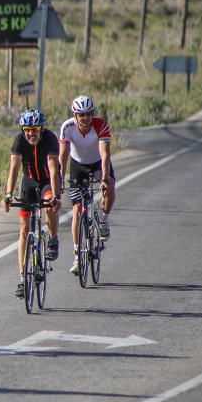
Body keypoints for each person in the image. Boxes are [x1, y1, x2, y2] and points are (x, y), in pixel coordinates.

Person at [3, 110, 61, 298]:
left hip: (47, 181)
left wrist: (55, 195)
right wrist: (9, 194)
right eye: (27, 130)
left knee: (49, 204)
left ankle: (52, 239)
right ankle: (22, 279)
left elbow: (53, 168)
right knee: (23, 229)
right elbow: (14, 169)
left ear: (41, 129)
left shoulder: (50, 139)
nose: (31, 133)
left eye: (35, 129)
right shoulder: (19, 141)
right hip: (29, 181)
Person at [59, 95, 115, 276]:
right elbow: (63, 155)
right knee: (77, 210)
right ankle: (77, 256)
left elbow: (105, 155)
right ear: (74, 115)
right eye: (81, 115)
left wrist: (105, 179)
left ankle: (103, 221)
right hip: (78, 165)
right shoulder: (67, 127)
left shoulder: (101, 125)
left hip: (98, 163)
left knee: (111, 189)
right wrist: (60, 178)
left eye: (88, 114)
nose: (85, 118)